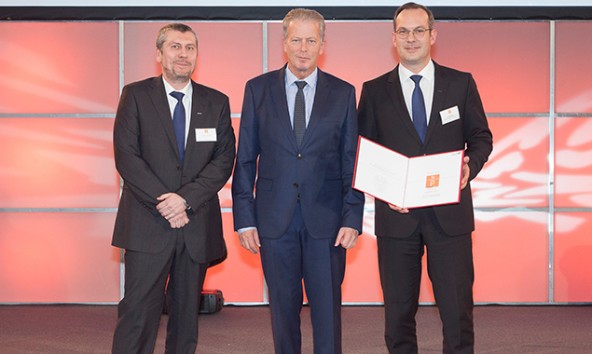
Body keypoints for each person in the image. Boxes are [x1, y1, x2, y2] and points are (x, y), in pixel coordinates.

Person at [357, 3, 493, 354]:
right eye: (404, 31)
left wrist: (469, 167)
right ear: (394, 38)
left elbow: (481, 138)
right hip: (396, 218)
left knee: (457, 311)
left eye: (419, 30)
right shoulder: (373, 91)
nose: (411, 38)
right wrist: (383, 190)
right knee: (398, 314)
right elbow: (362, 152)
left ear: (433, 35)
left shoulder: (460, 83)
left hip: (450, 216)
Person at [232, 8, 364, 354]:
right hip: (274, 222)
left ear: (322, 44)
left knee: (327, 316)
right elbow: (245, 158)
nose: (303, 48)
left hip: (328, 224)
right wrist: (244, 219)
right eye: (296, 40)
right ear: (284, 43)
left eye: (311, 40)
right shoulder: (257, 90)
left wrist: (353, 216)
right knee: (282, 315)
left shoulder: (343, 92)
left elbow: (352, 161)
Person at [111, 23, 235, 354]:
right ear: (159, 54)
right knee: (137, 317)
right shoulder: (135, 95)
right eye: (175, 47)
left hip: (195, 226)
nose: (183, 54)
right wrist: (166, 203)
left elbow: (224, 161)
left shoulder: (216, 102)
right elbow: (127, 157)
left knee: (185, 322)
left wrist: (186, 200)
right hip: (146, 227)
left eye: (190, 48)